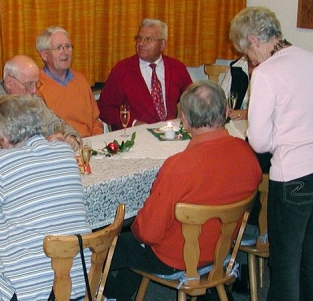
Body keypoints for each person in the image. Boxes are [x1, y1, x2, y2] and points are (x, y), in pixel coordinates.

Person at [229, 6, 313, 301]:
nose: (249, 60)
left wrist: (292, 135)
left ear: (253, 39)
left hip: (294, 176)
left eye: (246, 52)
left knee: (285, 263)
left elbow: (260, 143)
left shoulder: (267, 73)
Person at [104, 80, 262, 300]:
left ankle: (107, 295)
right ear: (226, 111)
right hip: (221, 253)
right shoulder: (247, 155)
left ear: (185, 121)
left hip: (177, 260)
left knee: (112, 243)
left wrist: (133, 227)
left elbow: (148, 233)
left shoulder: (179, 166)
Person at [0, 95, 91, 301]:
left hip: (34, 292)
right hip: (81, 284)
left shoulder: (2, 163)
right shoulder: (65, 152)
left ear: (2, 136)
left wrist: (2, 211)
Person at [0, 55, 80, 159]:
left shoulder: (32, 99)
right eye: (28, 85)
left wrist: (71, 137)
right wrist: (41, 146)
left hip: (30, 163)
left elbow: (56, 124)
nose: (34, 90)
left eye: (36, 84)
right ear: (9, 82)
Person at [98, 18, 192, 130]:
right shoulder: (122, 70)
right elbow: (104, 108)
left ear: (162, 44)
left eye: (148, 39)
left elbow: (193, 101)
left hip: (169, 134)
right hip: (135, 135)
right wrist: (133, 123)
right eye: (139, 38)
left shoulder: (177, 68)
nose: (141, 44)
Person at [35, 26, 104, 137]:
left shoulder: (80, 80)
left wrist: (96, 141)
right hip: (60, 149)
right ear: (44, 55)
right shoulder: (35, 86)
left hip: (88, 146)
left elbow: (95, 120)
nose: (65, 52)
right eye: (59, 48)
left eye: (68, 46)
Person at [218, 55, 257, 121]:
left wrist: (247, 113)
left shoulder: (271, 70)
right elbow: (220, 97)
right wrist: (226, 108)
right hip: (237, 122)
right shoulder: (237, 66)